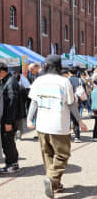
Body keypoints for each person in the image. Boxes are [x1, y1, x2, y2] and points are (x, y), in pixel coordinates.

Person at [27, 55, 88, 198]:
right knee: (62, 155)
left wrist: (30, 120)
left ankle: (55, 185)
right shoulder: (64, 81)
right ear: (59, 66)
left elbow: (34, 102)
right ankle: (52, 179)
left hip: (42, 125)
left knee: (47, 155)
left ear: (46, 66)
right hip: (59, 125)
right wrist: (80, 121)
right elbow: (72, 104)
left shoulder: (39, 81)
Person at [0, 62, 20, 173]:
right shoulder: (7, 80)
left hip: (8, 119)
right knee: (7, 141)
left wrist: (8, 122)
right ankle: (12, 163)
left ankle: (12, 164)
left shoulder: (10, 82)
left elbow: (12, 103)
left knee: (8, 141)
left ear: (1, 72)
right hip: (7, 117)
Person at [67, 68, 83, 143]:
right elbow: (84, 91)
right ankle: (77, 137)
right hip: (77, 102)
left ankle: (68, 136)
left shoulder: (67, 80)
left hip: (68, 102)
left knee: (67, 120)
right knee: (76, 119)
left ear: (69, 72)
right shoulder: (80, 80)